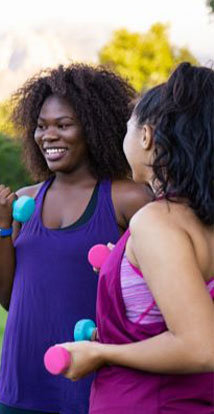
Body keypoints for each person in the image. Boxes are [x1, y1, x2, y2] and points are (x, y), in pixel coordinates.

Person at [0, 64, 152, 414]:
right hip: (22, 381)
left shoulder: (128, 199)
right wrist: (0, 228)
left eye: (63, 125)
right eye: (42, 126)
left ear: (92, 128)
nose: (49, 136)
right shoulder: (24, 201)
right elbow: (8, 298)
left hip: (95, 382)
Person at [55, 62, 214, 413]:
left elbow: (201, 346)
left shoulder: (157, 222)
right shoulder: (199, 220)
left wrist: (100, 352)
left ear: (146, 136)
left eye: (128, 127)